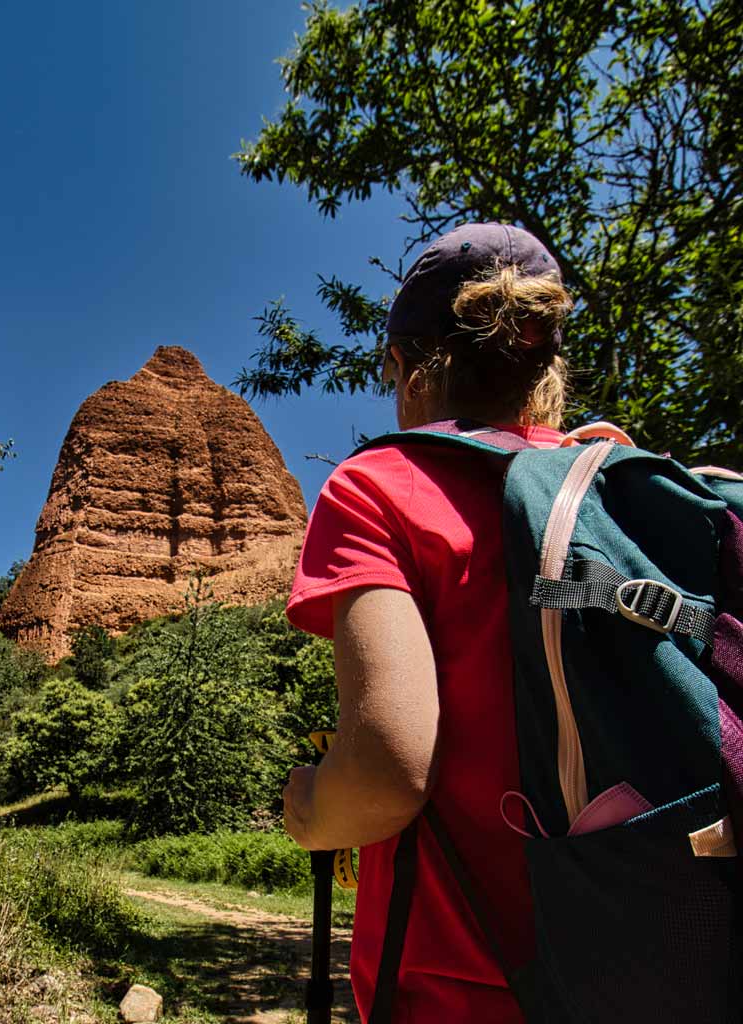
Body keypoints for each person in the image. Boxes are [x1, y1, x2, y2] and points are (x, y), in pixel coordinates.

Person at [282, 222, 574, 1023]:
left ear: (408, 368)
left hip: (452, 990)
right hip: (651, 967)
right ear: (547, 368)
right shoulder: (618, 487)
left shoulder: (379, 487)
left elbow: (387, 772)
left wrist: (312, 807)